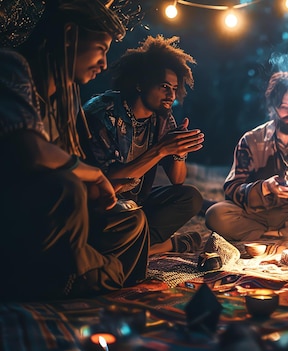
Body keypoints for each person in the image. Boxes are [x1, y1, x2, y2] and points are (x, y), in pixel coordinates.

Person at [0, 0, 149, 301]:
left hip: (56, 223)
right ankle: (70, 277)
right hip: (16, 216)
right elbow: (31, 152)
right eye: (101, 49)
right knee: (64, 189)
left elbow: (73, 165)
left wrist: (100, 192)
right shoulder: (12, 67)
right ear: (69, 35)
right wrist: (92, 175)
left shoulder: (67, 97)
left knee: (132, 222)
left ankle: (84, 271)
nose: (104, 64)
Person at [81, 35, 205, 255]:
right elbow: (105, 182)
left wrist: (179, 151)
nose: (171, 95)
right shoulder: (103, 113)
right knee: (123, 217)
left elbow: (177, 179)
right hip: (98, 207)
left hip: (135, 204)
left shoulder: (163, 118)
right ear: (140, 84)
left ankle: (137, 247)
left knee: (190, 197)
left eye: (175, 88)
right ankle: (159, 246)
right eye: (164, 86)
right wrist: (161, 150)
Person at [205, 71, 288, 242]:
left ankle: (268, 235)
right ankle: (287, 235)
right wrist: (265, 188)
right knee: (216, 214)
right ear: (273, 107)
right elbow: (232, 190)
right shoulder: (252, 139)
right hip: (257, 213)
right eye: (284, 107)